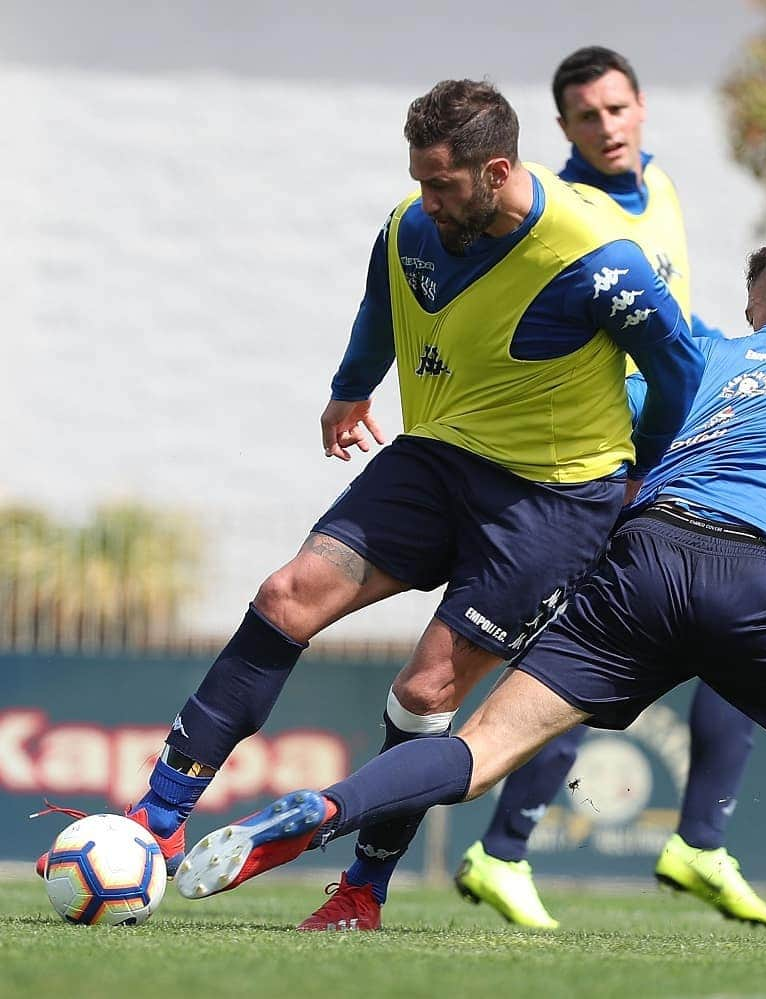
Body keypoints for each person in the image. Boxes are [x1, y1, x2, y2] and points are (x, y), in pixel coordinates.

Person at [176, 225, 766, 948]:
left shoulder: (708, 354)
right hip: (753, 579)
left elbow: (596, 413)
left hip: (635, 566)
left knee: (479, 751)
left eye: (753, 309)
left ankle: (323, 809)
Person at [34, 79, 704, 931]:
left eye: (443, 183)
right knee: (285, 596)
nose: (424, 200)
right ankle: (156, 822)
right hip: (436, 460)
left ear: (497, 170)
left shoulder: (597, 262)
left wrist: (637, 477)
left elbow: (678, 371)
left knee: (425, 688)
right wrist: (349, 390)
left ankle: (362, 888)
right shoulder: (411, 227)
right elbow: (383, 304)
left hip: (554, 501)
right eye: (418, 178)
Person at [452, 45, 766, 931]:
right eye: (587, 115)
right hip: (616, 461)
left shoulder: (660, 186)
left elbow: (670, 319)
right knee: (603, 655)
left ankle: (688, 840)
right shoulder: (568, 212)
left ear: (640, 108)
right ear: (560, 130)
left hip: (679, 444)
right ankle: (507, 848)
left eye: (617, 108)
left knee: (746, 617)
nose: (606, 126)